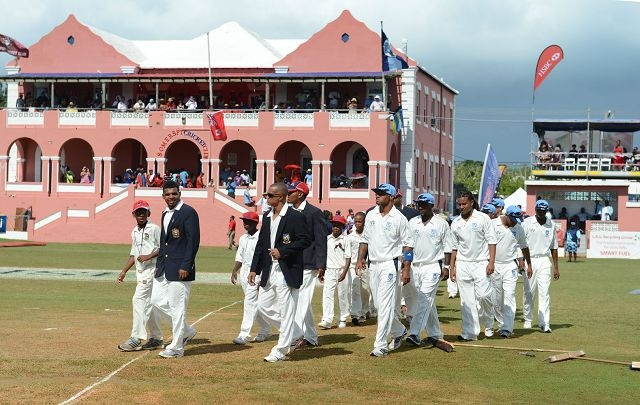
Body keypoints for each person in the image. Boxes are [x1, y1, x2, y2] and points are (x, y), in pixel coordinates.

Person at [248, 182, 311, 362]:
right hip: (270, 270)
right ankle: (295, 332)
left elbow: (305, 240)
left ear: (281, 197)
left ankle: (280, 350)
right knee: (263, 306)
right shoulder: (267, 217)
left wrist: (283, 251)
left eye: (270, 195)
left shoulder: (295, 216)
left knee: (286, 310)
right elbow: (261, 246)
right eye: (267, 195)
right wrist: (254, 269)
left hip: (287, 269)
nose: (266, 198)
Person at [356, 183, 413, 357]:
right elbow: (364, 240)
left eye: (381, 193)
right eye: (376, 193)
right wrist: (360, 259)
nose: (377, 196)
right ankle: (399, 330)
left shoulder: (399, 218)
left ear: (391, 197)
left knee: (386, 305)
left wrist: (406, 269)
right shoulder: (371, 214)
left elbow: (408, 246)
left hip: (390, 263)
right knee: (379, 306)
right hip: (374, 264)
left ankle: (379, 345)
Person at [151, 180, 200, 358]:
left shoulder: (188, 212)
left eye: (174, 193)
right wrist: (159, 265)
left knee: (178, 307)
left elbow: (193, 241)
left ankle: (177, 347)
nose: (171, 197)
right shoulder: (165, 213)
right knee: (156, 300)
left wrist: (186, 265)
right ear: (163, 196)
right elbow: (164, 242)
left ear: (179, 193)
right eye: (168, 194)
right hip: (165, 267)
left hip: (181, 268)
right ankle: (186, 330)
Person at [405, 193, 453, 348]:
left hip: (433, 266)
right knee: (427, 301)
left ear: (432, 206)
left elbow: (447, 247)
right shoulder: (413, 222)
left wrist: (446, 266)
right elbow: (408, 245)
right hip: (416, 266)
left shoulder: (441, 224)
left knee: (423, 300)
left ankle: (414, 333)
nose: (420, 207)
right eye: (418, 204)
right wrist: (406, 265)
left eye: (424, 204)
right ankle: (435, 333)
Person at [449, 191, 497, 341]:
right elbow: (454, 247)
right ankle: (470, 333)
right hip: (463, 264)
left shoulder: (483, 218)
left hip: (481, 262)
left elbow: (492, 241)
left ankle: (489, 322)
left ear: (471, 203)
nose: (461, 207)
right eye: (459, 204)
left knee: (484, 296)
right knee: (466, 301)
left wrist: (491, 262)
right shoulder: (456, 222)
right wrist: (452, 267)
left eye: (464, 204)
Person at [117, 200, 163, 352]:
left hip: (151, 270)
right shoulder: (134, 231)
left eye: (144, 212)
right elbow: (133, 254)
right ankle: (156, 338)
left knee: (138, 300)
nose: (141, 215)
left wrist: (149, 256)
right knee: (150, 305)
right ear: (133, 215)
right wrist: (124, 271)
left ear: (149, 213)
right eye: (138, 212)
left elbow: (162, 247)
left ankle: (136, 337)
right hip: (140, 271)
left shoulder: (155, 228)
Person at [287, 180, 327, 350]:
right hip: (292, 261)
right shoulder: (288, 212)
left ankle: (293, 336)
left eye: (291, 192)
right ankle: (310, 336)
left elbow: (320, 239)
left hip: (308, 263)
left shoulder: (314, 213)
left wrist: (321, 264)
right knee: (299, 301)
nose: (288, 195)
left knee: (302, 300)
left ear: (300, 194)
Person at [490, 205, 531, 338]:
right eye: (513, 219)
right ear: (507, 215)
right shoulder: (493, 224)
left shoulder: (518, 228)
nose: (515, 222)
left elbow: (524, 247)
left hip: (510, 266)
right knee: (497, 298)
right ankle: (500, 322)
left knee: (510, 295)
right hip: (495, 265)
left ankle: (507, 328)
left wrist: (528, 264)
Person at [231, 212, 271, 345]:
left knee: (249, 303)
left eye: (248, 221)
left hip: (256, 274)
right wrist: (234, 271)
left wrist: (263, 276)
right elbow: (239, 257)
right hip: (244, 273)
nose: (245, 224)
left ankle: (244, 334)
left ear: (256, 223)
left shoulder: (262, 237)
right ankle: (265, 328)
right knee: (255, 304)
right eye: (244, 221)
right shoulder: (243, 238)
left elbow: (265, 259)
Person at [521, 199, 559, 333]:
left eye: (544, 211)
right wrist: (523, 262)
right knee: (529, 291)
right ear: (535, 210)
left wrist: (556, 267)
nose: (541, 213)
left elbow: (554, 247)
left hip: (544, 260)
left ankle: (544, 323)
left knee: (544, 292)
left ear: (546, 211)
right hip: (529, 260)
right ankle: (528, 319)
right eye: (539, 210)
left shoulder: (551, 224)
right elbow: (521, 244)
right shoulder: (526, 223)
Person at [318, 215, 352, 329]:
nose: (335, 228)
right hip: (330, 269)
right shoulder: (327, 239)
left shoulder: (346, 239)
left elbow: (348, 257)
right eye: (334, 226)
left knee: (342, 294)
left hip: (342, 269)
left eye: (338, 226)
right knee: (327, 293)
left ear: (342, 227)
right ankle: (327, 319)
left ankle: (343, 317)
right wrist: (322, 270)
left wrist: (344, 272)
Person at [347, 211, 368, 325]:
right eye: (355, 221)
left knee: (366, 290)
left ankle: (364, 311)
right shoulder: (350, 237)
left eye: (360, 221)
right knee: (355, 290)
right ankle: (356, 314)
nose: (357, 224)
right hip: (353, 266)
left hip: (366, 266)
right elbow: (348, 254)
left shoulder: (368, 235)